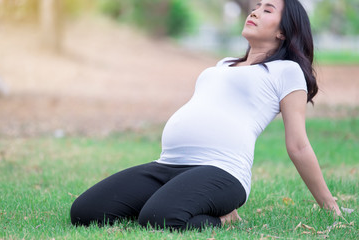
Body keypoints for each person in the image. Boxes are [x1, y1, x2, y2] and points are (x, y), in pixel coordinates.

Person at [70, 0, 341, 231]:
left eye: (268, 10)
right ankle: (170, 200)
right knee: (84, 212)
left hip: (222, 171)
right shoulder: (224, 64)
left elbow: (298, 144)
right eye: (256, 6)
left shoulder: (286, 71)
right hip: (169, 164)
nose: (255, 11)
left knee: (158, 218)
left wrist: (330, 206)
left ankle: (224, 219)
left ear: (283, 31)